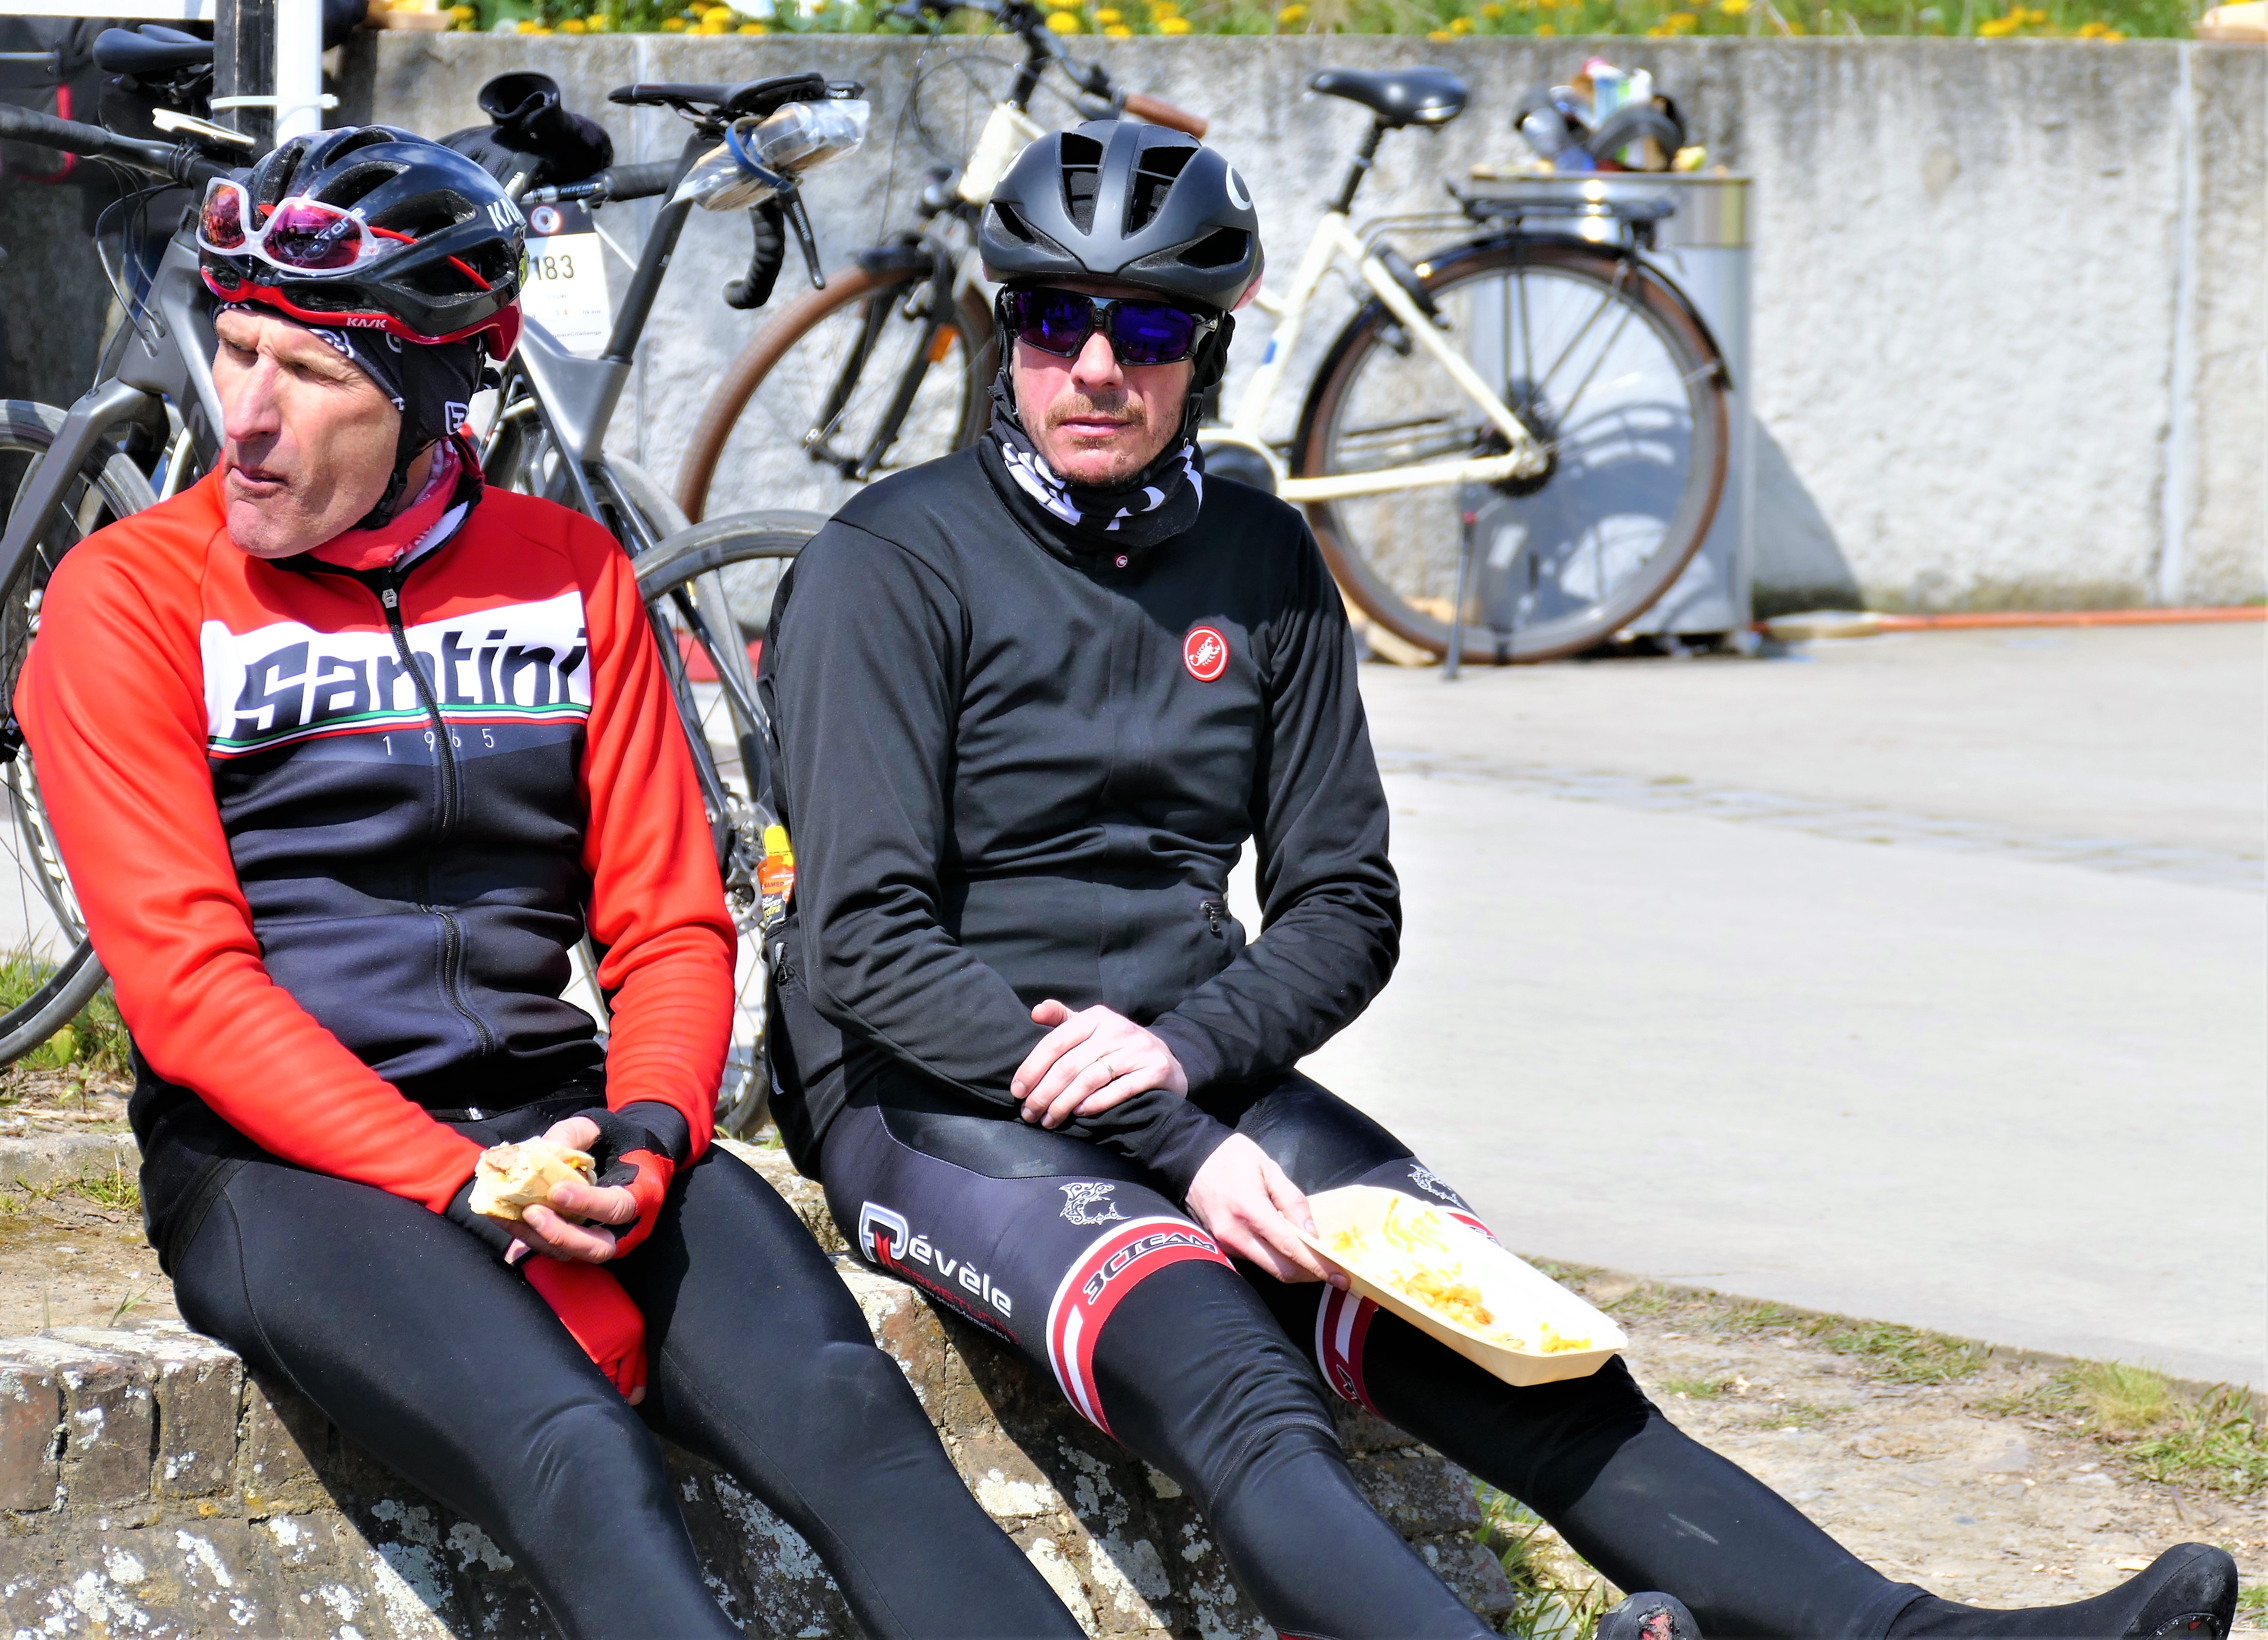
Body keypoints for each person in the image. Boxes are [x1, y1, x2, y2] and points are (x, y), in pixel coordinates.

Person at [758, 120, 2239, 1640]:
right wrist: (1170, 1138)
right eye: (1053, 319)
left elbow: (1344, 900)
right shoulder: (890, 564)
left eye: (1145, 332)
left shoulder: (1264, 560)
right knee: (1231, 1374)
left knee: (1522, 1349)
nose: (1093, 368)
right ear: (1006, 330)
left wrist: (1187, 1058)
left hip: (1187, 1061)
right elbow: (864, 943)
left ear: (1205, 354)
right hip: (936, 1085)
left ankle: (1911, 1639)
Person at [19, 127, 1083, 1640]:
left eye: (310, 373)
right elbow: (190, 995)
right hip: (277, 1167)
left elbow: (668, 924)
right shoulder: (129, 597)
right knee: (580, 1460)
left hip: (563, 1117)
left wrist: (649, 1132)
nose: (244, 415)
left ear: (436, 397)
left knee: (858, 1425)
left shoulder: (567, 571)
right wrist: (454, 1180)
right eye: (237, 348)